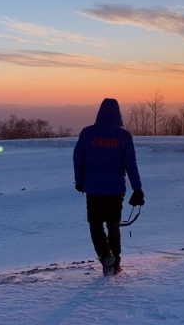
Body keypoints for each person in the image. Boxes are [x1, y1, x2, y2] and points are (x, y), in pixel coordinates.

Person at [73, 98, 145, 276]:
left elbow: (78, 158)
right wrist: (137, 188)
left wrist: (80, 181)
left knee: (95, 225)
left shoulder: (87, 133)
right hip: (115, 190)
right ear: (118, 114)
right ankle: (115, 264)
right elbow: (131, 164)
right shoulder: (124, 136)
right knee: (113, 225)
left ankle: (106, 256)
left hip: (94, 189)